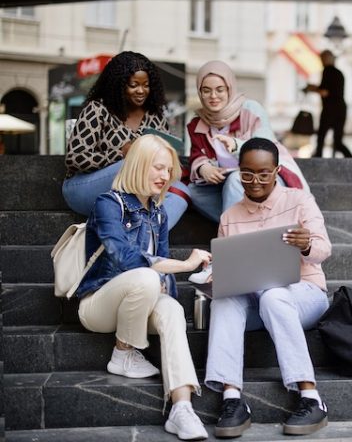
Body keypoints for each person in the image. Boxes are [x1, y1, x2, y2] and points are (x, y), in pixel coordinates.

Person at [76, 134, 210, 440]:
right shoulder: (108, 204)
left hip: (139, 301)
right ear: (138, 165)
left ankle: (182, 408)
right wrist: (185, 265)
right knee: (147, 275)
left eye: (169, 171)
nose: (165, 177)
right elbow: (123, 257)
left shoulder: (159, 214)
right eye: (158, 168)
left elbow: (160, 266)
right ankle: (123, 353)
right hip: (99, 305)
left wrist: (168, 288)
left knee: (173, 309)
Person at [204, 137, 330, 438]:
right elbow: (232, 270)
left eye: (263, 173)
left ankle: (310, 397)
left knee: (274, 295)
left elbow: (324, 250)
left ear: (276, 171)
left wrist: (306, 244)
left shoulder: (299, 200)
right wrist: (216, 276)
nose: (255, 181)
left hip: (305, 294)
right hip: (256, 301)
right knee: (223, 301)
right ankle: (232, 400)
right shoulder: (229, 217)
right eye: (246, 174)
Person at [63, 51, 191, 229]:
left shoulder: (155, 117)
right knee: (135, 163)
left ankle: (146, 236)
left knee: (181, 191)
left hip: (137, 190)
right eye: (133, 85)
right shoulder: (98, 109)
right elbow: (74, 158)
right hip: (84, 188)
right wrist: (121, 153)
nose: (141, 91)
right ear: (119, 84)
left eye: (146, 85)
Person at [186, 60, 309, 224]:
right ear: (200, 92)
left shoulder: (250, 109)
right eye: (206, 91)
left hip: (264, 177)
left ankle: (233, 235)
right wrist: (203, 168)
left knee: (235, 180)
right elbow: (196, 154)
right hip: (225, 183)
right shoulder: (198, 123)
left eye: (220, 90)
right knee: (192, 191)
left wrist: (237, 145)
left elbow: (265, 148)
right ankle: (255, 223)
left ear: (229, 88)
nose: (213, 96)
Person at [303, 50, 352, 158]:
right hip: (341, 109)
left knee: (321, 138)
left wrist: (312, 88)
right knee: (338, 141)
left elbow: (325, 91)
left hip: (330, 109)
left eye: (322, 59)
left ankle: (318, 161)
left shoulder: (327, 71)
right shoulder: (339, 73)